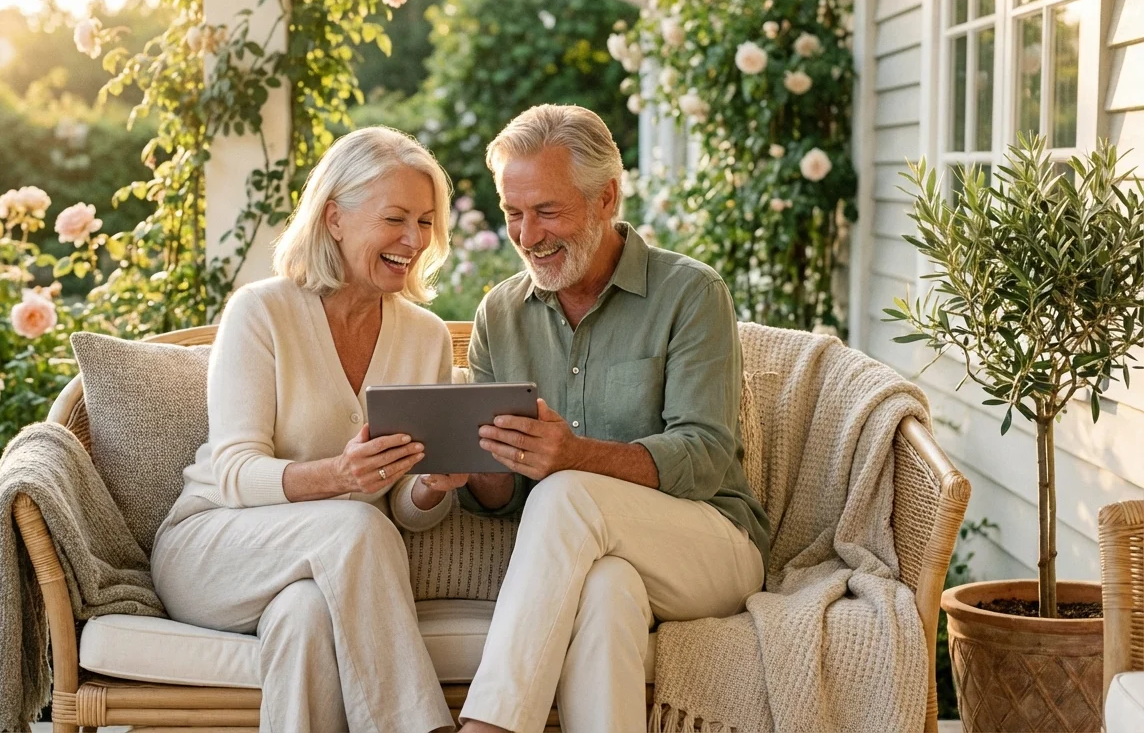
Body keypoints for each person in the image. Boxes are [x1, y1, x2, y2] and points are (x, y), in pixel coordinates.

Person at [454, 105, 772, 733]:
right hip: (598, 554)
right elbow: (503, 493)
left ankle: (488, 727)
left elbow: (706, 454)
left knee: (569, 491)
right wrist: (473, 469)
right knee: (606, 592)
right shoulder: (500, 316)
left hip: (711, 543)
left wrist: (574, 457)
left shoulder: (690, 293)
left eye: (548, 211)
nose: (527, 235)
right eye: (513, 212)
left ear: (606, 198)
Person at [151, 126, 466, 733]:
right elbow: (235, 472)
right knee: (355, 523)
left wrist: (429, 487)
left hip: (321, 570)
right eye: (395, 218)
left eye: (426, 222)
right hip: (214, 547)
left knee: (304, 618)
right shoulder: (261, 312)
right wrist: (338, 475)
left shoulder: (425, 337)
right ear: (335, 219)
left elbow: (404, 505)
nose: (413, 240)